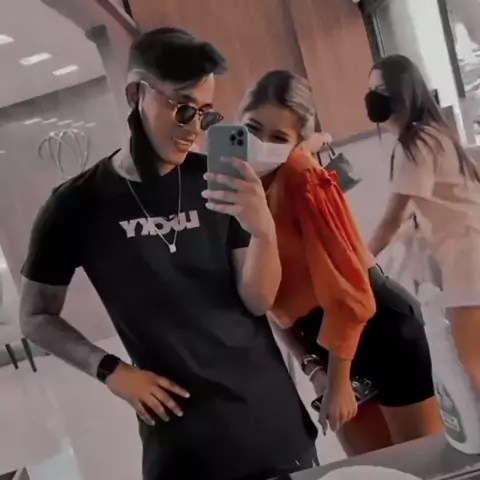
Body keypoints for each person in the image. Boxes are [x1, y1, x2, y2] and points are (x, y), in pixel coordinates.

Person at [19, 28, 318, 480]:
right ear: (136, 94)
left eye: (204, 112)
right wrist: (110, 370)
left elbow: (257, 300)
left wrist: (263, 232)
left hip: (268, 420)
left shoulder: (218, 178)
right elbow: (35, 315)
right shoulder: (77, 204)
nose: (193, 128)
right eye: (182, 107)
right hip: (180, 437)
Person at [237, 70, 444, 452]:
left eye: (278, 138)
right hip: (324, 344)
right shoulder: (238, 187)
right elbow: (273, 305)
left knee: (420, 466)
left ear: (295, 144)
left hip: (381, 332)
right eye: (252, 128)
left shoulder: (302, 177)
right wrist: (313, 367)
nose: (261, 144)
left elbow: (351, 292)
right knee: (371, 469)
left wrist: (337, 380)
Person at [367, 54, 480, 393]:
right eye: (370, 91)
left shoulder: (414, 144)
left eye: (381, 90)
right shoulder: (437, 133)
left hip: (466, 253)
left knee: (473, 357)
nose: (373, 98)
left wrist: (360, 260)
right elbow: (417, 210)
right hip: (471, 242)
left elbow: (392, 218)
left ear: (403, 92)